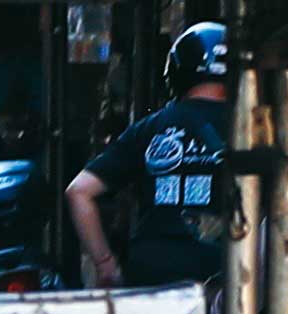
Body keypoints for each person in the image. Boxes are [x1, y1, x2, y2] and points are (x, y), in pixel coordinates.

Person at [67, 23, 233, 292]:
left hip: (152, 277)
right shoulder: (250, 132)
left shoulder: (150, 128)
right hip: (225, 278)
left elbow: (79, 192)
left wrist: (106, 266)